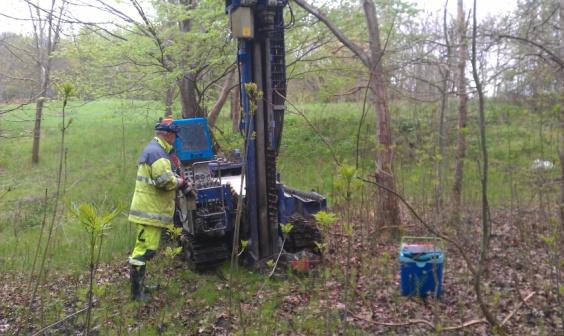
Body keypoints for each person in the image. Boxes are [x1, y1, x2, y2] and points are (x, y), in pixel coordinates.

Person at [128, 118, 184, 301]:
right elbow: (164, 181)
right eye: (174, 135)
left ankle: (141, 286)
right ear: (168, 135)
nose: (175, 139)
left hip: (150, 211)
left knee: (146, 250)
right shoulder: (158, 154)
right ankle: (137, 294)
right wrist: (180, 182)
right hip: (148, 213)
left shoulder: (156, 150)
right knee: (143, 251)